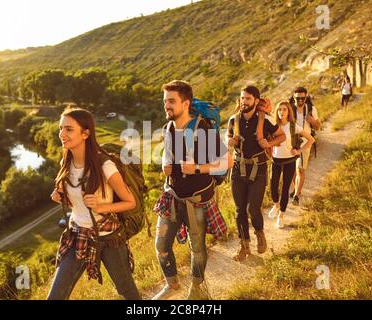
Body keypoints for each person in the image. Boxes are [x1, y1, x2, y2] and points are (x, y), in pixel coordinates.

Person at [47, 107, 141, 300]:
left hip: (109, 239)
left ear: (86, 133)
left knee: (128, 294)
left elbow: (130, 202)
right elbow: (77, 205)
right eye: (60, 128)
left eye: (69, 129)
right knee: (55, 296)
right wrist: (61, 197)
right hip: (77, 237)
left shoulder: (105, 165)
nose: (62, 134)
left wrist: (101, 206)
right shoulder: (66, 162)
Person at [152, 80, 231, 300]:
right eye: (165, 101)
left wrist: (196, 168)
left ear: (185, 103)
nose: (166, 105)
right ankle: (172, 283)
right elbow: (170, 157)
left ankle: (197, 289)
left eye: (171, 101)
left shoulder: (202, 129)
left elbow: (227, 162)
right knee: (161, 246)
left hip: (197, 199)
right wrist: (164, 166)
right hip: (172, 196)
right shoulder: (168, 127)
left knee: (197, 248)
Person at [227, 85, 286, 261]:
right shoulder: (233, 119)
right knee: (239, 210)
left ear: (256, 101)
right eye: (242, 98)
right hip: (238, 168)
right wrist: (230, 140)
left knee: (253, 208)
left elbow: (281, 136)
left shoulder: (265, 119)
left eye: (248, 99)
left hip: (259, 168)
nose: (244, 102)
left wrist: (269, 144)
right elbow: (228, 137)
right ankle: (244, 247)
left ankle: (259, 234)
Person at [268, 101, 314, 228]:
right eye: (279, 110)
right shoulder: (273, 125)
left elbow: (311, 139)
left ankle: (281, 216)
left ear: (288, 112)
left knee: (285, 189)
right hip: (275, 160)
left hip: (289, 161)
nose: (281, 112)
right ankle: (276, 205)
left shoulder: (293, 126)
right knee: (273, 186)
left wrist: (299, 151)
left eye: (284, 109)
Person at [289, 87, 320, 206]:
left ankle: (297, 195)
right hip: (291, 143)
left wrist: (311, 120)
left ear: (306, 97)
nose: (300, 100)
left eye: (303, 98)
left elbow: (317, 127)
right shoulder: (290, 109)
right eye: (298, 98)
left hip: (305, 142)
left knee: (300, 169)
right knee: (292, 169)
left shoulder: (311, 109)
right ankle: (297, 188)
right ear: (293, 97)